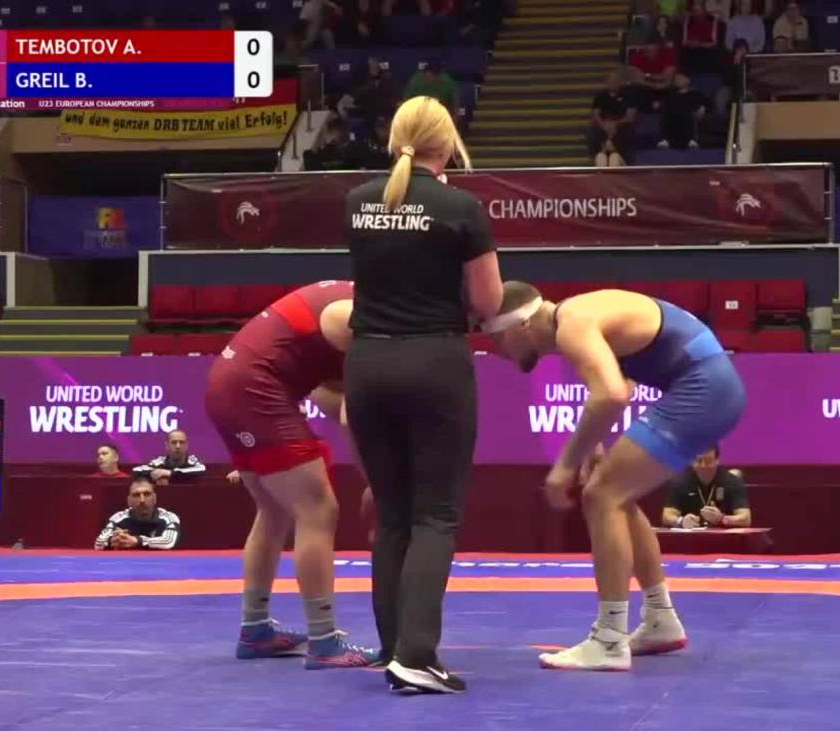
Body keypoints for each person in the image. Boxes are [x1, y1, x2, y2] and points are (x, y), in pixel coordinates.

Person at [482, 282, 746, 671]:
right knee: (616, 495)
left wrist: (565, 464)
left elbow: (610, 395)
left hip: (704, 388)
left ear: (521, 325)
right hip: (710, 385)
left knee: (601, 496)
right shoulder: (575, 317)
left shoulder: (573, 323)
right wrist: (594, 446)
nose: (497, 350)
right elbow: (621, 383)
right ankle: (660, 619)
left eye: (496, 337)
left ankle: (608, 640)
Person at [342, 95, 502, 694]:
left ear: (395, 139)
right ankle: (415, 655)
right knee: (435, 515)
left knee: (392, 515)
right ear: (449, 142)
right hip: (435, 362)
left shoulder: (358, 202)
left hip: (367, 363)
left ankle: (394, 647)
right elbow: (488, 302)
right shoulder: (461, 207)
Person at [205, 280, 379, 670]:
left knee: (273, 509)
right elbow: (353, 415)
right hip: (255, 390)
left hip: (226, 383)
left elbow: (328, 396)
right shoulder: (364, 317)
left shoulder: (351, 302)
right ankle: (324, 641)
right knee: (317, 510)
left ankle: (255, 629)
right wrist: (377, 482)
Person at [660, 445, 752, 528]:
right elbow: (667, 516)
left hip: (723, 537)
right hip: (690, 537)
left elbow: (745, 518)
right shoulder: (681, 482)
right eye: (699, 461)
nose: (703, 466)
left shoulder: (732, 481)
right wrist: (681, 521)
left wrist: (722, 518)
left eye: (708, 461)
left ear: (717, 460)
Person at [93, 475, 182, 550]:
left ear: (154, 498)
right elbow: (98, 542)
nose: (142, 500)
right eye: (136, 495)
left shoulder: (168, 517)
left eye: (147, 494)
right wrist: (113, 540)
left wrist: (138, 541)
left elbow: (169, 541)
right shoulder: (118, 518)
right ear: (129, 500)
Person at [132, 430, 206, 484]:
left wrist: (169, 473)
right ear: (167, 445)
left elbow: (202, 469)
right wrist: (153, 473)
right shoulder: (159, 462)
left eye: (181, 442)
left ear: (186, 445)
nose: (178, 446)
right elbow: (137, 470)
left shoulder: (193, 461)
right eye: (174, 442)